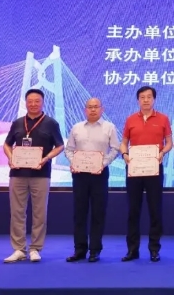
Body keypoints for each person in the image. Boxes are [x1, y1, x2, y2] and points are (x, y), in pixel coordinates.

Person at [2, 88, 64, 263]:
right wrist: (10, 157)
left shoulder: (51, 123)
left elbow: (60, 146)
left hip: (41, 174)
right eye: (30, 101)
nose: (33, 104)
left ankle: (35, 248)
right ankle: (19, 249)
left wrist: (46, 158)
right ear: (26, 102)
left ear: (43, 102)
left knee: (39, 213)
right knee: (17, 212)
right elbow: (6, 144)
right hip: (17, 174)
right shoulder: (17, 123)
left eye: (37, 101)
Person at [63, 98, 120, 263]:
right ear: (85, 110)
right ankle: (79, 250)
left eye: (96, 107)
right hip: (79, 174)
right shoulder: (77, 127)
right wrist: (74, 161)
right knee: (79, 212)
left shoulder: (109, 127)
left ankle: (95, 250)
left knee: (98, 212)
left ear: (102, 109)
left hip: (99, 174)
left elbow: (115, 148)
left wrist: (103, 163)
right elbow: (69, 149)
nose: (93, 110)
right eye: (89, 107)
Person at [120, 86, 172, 262]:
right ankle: (132, 250)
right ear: (138, 100)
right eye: (142, 97)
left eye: (149, 97)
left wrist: (162, 152)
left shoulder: (163, 118)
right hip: (134, 168)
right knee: (133, 210)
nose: (146, 100)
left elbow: (169, 142)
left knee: (155, 210)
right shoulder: (130, 119)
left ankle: (154, 249)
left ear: (154, 99)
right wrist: (124, 154)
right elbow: (124, 142)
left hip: (154, 168)